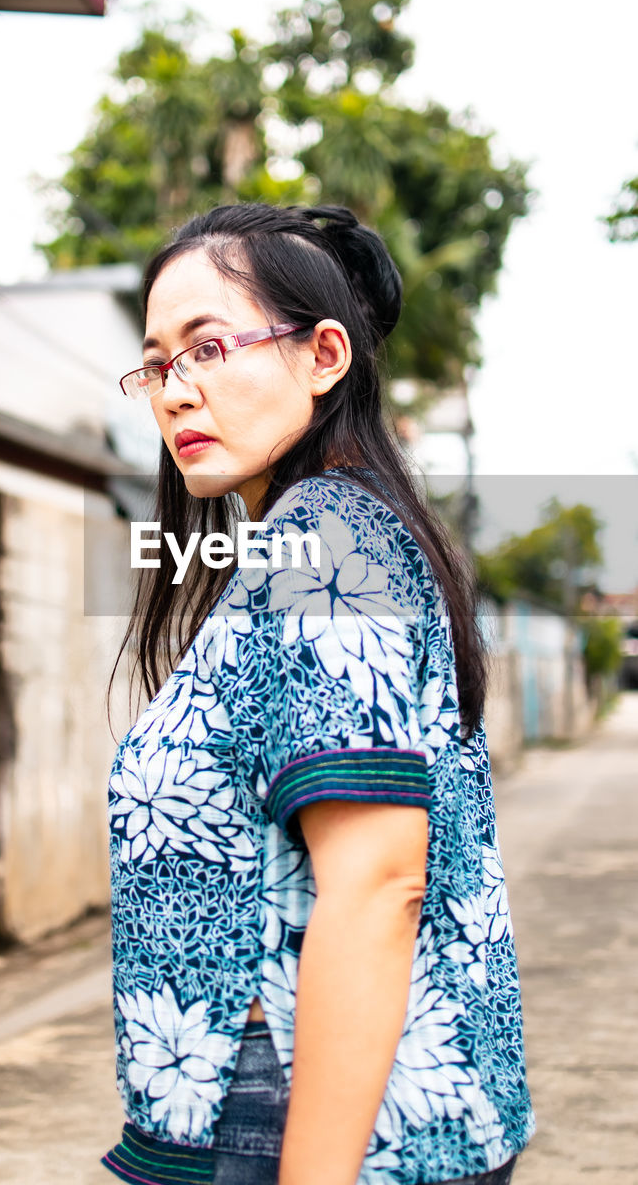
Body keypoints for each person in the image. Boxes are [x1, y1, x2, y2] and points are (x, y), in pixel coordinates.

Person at [102, 203, 534, 1185]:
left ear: (323, 354)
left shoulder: (324, 545)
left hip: (303, 1116)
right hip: (348, 1104)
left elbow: (378, 885)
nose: (176, 389)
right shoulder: (323, 537)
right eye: (158, 362)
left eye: (209, 347)